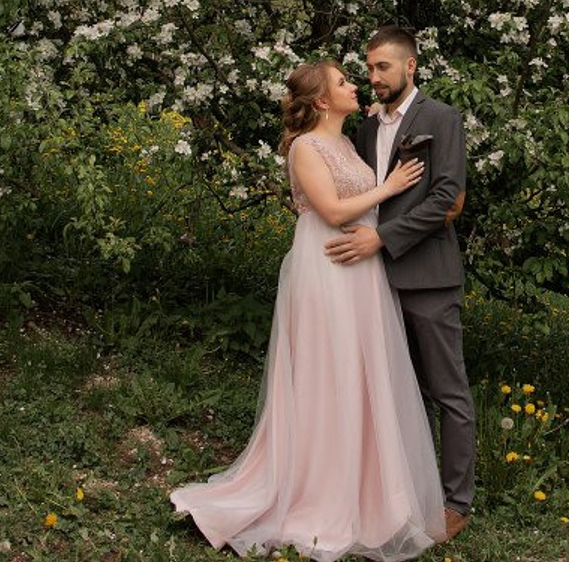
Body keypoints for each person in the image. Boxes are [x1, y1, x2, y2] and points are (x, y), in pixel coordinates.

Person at [170, 59, 446, 561]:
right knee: (327, 374)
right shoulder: (305, 147)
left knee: (360, 375)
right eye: (343, 82)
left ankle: (363, 494)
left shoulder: (345, 143)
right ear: (321, 100)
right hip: (325, 266)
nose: (353, 86)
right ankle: (313, 491)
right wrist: (392, 185)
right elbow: (334, 211)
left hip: (360, 267)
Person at [324, 27, 475, 543]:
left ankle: (456, 501)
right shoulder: (365, 128)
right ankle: (404, 490)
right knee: (394, 393)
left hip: (428, 277)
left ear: (410, 66)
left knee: (446, 390)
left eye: (383, 68)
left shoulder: (441, 118)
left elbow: (446, 198)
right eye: (368, 69)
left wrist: (382, 240)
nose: (374, 78)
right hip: (373, 285)